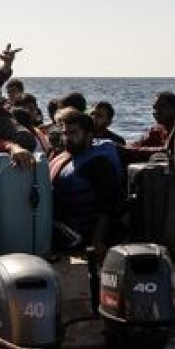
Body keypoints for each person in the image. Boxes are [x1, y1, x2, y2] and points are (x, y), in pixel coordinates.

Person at [49, 108, 126, 256]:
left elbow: (108, 206)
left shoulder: (98, 164)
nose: (67, 138)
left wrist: (97, 241)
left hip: (83, 234)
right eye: (65, 133)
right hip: (64, 225)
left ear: (89, 135)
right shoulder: (64, 156)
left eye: (73, 133)